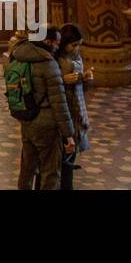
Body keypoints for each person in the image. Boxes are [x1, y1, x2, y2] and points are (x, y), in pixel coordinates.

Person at [6, 25, 75, 190]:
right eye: (56, 43)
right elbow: (59, 103)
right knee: (50, 171)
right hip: (46, 125)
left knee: (27, 169)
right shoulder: (48, 64)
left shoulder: (17, 56)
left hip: (26, 119)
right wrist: (69, 135)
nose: (57, 46)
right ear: (47, 41)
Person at [55, 23, 93, 190]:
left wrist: (85, 79)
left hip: (76, 108)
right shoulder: (54, 59)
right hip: (63, 110)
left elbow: (82, 88)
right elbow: (48, 85)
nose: (76, 48)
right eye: (74, 44)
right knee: (62, 156)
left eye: (79, 44)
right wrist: (63, 81)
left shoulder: (76, 56)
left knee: (70, 155)